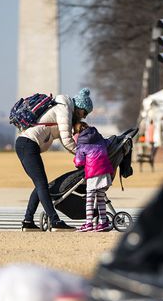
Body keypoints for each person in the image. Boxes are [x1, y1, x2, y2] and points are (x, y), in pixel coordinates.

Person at [15, 87, 93, 231]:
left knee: (40, 184)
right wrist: (86, 156)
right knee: (42, 184)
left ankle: (28, 221)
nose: (84, 117)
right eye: (84, 112)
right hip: (28, 145)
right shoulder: (64, 110)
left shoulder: (63, 109)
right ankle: (55, 221)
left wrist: (80, 154)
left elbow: (65, 142)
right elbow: (67, 139)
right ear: (79, 107)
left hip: (26, 145)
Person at [72, 121, 115, 232]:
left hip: (93, 173)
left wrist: (76, 157)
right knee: (100, 198)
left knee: (90, 199)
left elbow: (79, 162)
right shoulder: (99, 138)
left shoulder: (82, 145)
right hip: (105, 171)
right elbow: (108, 143)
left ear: (78, 133)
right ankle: (103, 222)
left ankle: (89, 223)